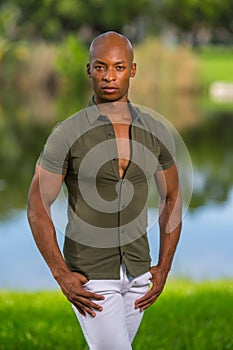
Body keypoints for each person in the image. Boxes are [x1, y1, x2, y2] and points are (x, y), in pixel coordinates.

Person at [27, 31, 182, 350]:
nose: (109, 76)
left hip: (140, 273)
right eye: (100, 67)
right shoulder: (67, 134)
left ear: (133, 70)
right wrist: (61, 274)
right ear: (89, 70)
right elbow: (37, 207)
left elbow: (172, 196)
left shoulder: (155, 130)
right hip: (91, 275)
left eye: (119, 67)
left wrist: (164, 266)